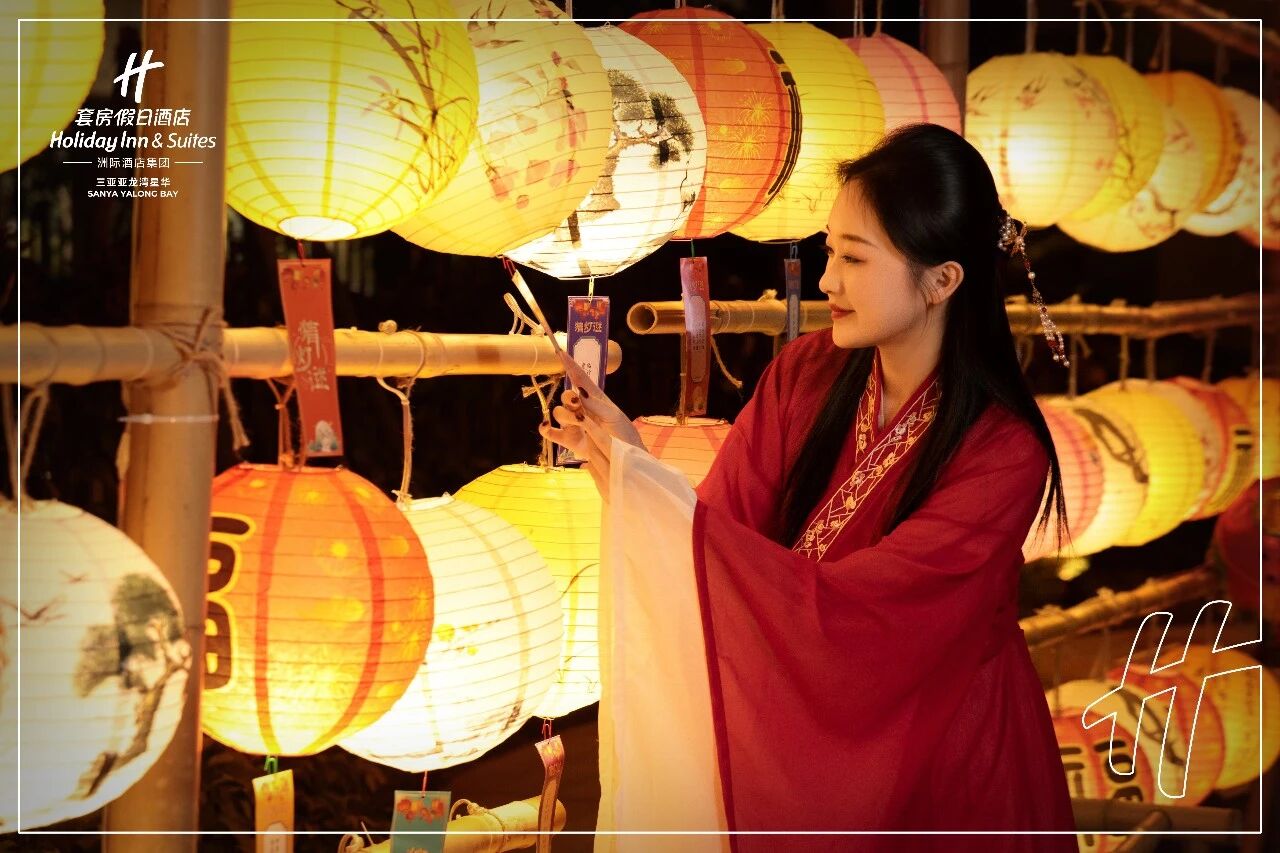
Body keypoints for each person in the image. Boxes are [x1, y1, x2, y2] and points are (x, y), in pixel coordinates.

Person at [540, 124, 1078, 852]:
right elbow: (719, 537)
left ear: (943, 280)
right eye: (830, 252)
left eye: (854, 257)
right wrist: (632, 475)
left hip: (950, 758)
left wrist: (659, 504)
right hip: (804, 723)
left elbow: (870, 617)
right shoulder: (806, 373)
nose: (828, 281)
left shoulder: (1004, 452)